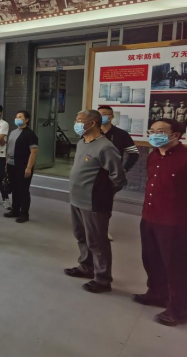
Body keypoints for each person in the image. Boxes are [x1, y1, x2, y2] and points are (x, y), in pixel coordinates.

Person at [64, 110, 126, 294]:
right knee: (81, 235)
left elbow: (118, 178)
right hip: (76, 199)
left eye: (80, 120)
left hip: (94, 203)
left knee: (97, 241)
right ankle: (86, 267)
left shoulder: (105, 147)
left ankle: (102, 279)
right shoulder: (81, 142)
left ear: (92, 123)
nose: (76, 123)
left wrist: (102, 194)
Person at [132, 119, 186, 327]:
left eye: (160, 131)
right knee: (151, 258)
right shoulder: (154, 155)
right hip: (149, 217)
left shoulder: (184, 158)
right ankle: (156, 293)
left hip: (174, 223)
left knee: (176, 266)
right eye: (152, 130)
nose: (154, 135)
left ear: (176, 135)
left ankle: (178, 309)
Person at [99, 105, 140, 241]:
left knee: (105, 204)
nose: (101, 117)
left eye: (105, 114)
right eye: (99, 114)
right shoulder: (92, 132)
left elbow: (134, 153)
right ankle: (90, 228)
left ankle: (103, 230)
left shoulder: (121, 134)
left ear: (111, 117)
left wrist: (124, 169)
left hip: (110, 176)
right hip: (91, 174)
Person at [3, 111, 38, 223]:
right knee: (14, 188)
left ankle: (24, 213)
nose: (17, 118)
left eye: (20, 117)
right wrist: (6, 163)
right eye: (16, 116)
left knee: (23, 189)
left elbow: (33, 152)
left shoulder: (30, 134)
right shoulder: (13, 132)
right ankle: (15, 210)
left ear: (26, 119)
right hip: (11, 164)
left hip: (23, 165)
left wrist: (29, 167)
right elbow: (8, 148)